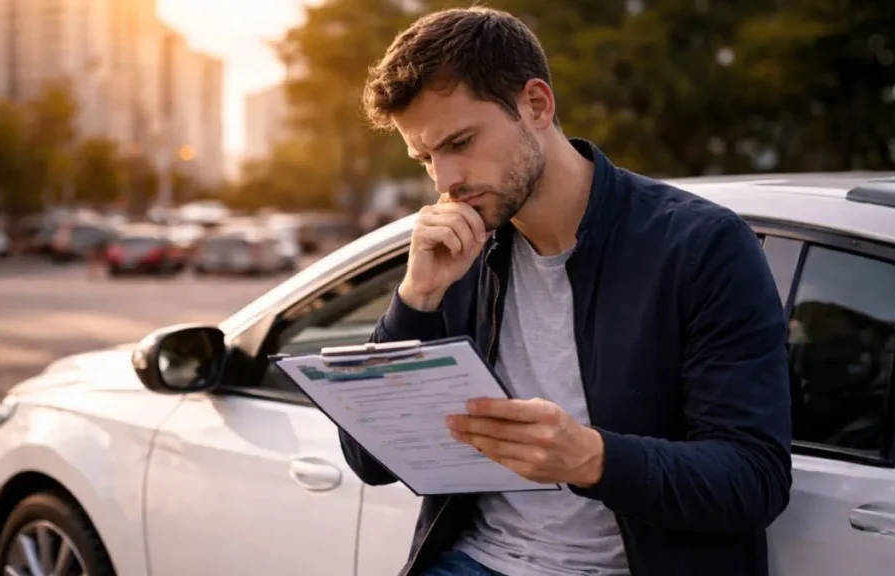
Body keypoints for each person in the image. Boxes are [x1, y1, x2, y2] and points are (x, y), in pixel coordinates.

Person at [338, 7, 792, 576]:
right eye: (427, 157)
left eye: (461, 141)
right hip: (472, 561)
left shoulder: (701, 247)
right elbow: (370, 461)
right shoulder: (460, 252)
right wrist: (416, 297)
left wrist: (592, 458)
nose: (445, 179)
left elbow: (755, 479)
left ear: (536, 105)